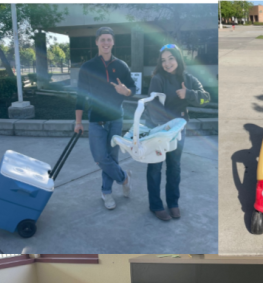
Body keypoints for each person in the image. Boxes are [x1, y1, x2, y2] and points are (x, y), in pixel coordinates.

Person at [144, 44, 210, 221]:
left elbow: (205, 98)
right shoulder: (158, 79)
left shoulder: (188, 79)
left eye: (171, 58)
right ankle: (156, 205)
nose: (167, 63)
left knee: (174, 168)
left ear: (178, 59)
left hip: (178, 130)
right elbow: (153, 106)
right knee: (155, 167)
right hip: (158, 130)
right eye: (163, 60)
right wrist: (164, 129)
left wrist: (188, 93)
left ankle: (173, 203)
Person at [75, 27, 137, 210]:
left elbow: (132, 89)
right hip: (96, 120)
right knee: (102, 158)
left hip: (116, 119)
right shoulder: (87, 67)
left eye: (109, 39)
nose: (106, 43)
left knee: (112, 158)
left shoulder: (122, 65)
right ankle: (125, 177)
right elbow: (80, 97)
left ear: (113, 42)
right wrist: (78, 122)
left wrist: (124, 90)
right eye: (102, 39)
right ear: (97, 42)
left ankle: (106, 192)